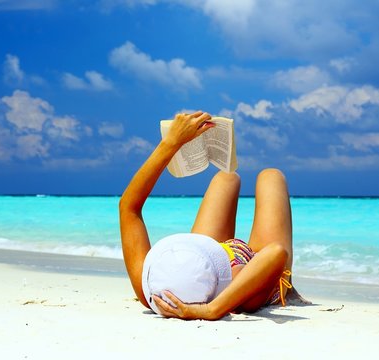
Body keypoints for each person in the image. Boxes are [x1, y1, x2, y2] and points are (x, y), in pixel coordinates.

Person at [119, 111, 299, 320]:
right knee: (271, 176)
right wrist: (211, 310)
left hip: (204, 254)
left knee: (227, 177)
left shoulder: (150, 290)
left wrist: (172, 142)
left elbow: (128, 207)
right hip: (255, 266)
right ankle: (289, 288)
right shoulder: (240, 296)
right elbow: (276, 253)